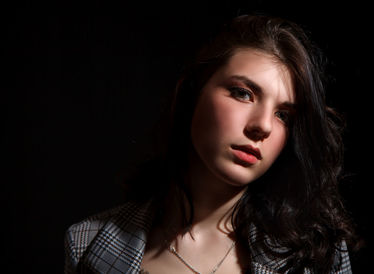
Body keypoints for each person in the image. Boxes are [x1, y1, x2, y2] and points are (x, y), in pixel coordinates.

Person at [64, 14, 358, 273]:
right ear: (191, 93)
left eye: (283, 115)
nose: (263, 126)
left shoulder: (320, 255)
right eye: (243, 93)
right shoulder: (87, 245)